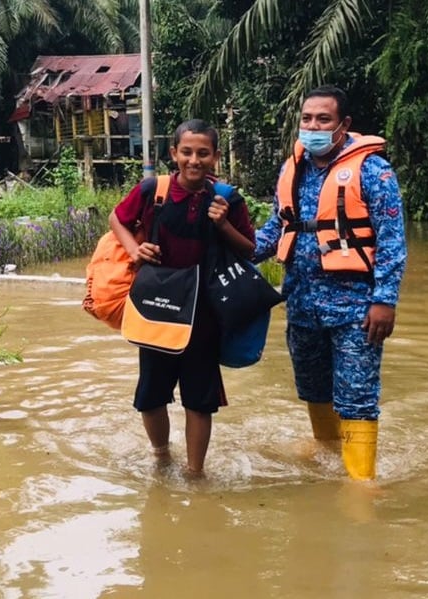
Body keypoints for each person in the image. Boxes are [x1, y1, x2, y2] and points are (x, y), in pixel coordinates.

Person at [254, 85, 407, 480]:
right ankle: (325, 452)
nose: (313, 126)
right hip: (302, 302)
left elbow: (392, 240)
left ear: (344, 125)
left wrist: (384, 300)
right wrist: (227, 241)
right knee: (312, 386)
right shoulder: (294, 168)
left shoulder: (374, 172)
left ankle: (361, 482)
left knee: (357, 397)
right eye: (307, 119)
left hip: (356, 308)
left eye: (323, 119)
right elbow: (276, 228)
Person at [109, 119, 255, 476]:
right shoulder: (151, 191)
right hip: (156, 310)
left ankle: (195, 472)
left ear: (216, 157)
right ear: (173, 153)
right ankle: (161, 456)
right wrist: (133, 250)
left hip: (204, 315)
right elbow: (117, 218)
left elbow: (249, 249)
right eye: (186, 152)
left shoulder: (227, 199)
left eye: (203, 153)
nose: (194, 160)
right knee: (151, 394)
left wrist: (223, 225)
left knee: (200, 399)